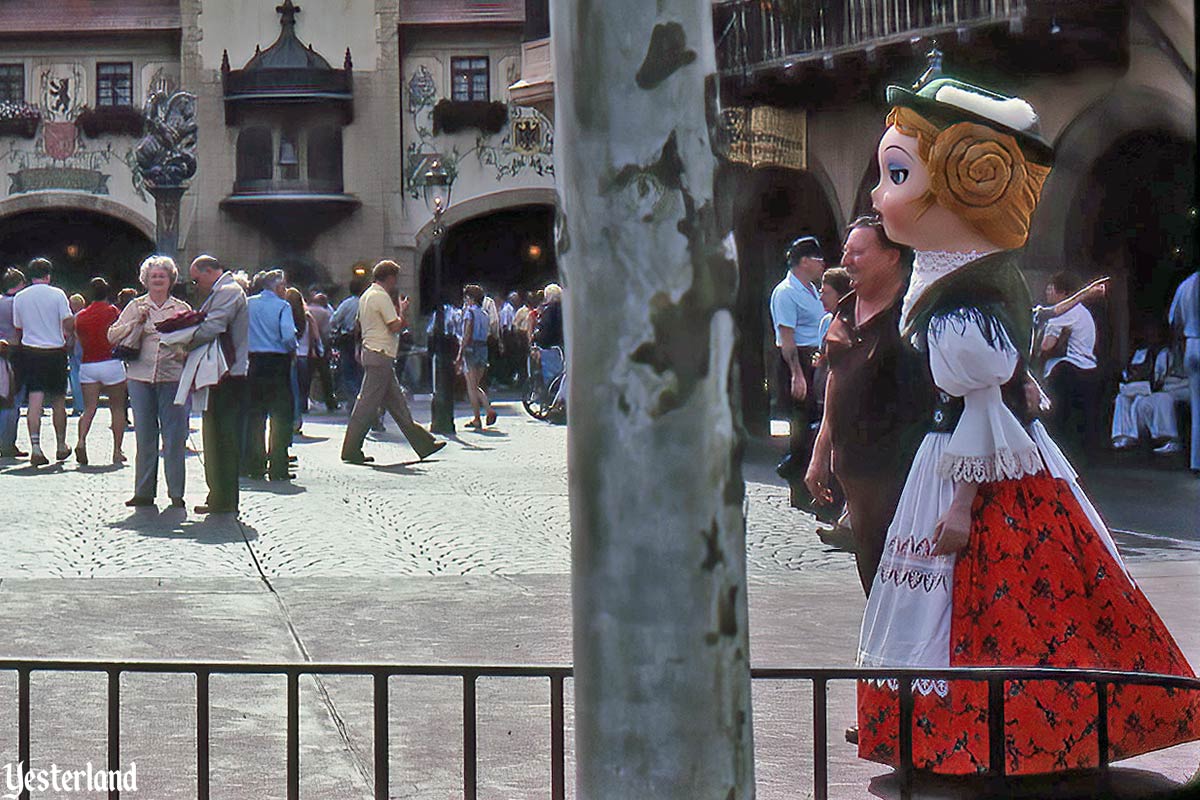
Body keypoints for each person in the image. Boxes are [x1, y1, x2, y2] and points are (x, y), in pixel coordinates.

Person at [854, 64, 1199, 774]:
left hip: (974, 468)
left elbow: (985, 407)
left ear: (957, 187)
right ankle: (973, 732)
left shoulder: (962, 305)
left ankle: (996, 734)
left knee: (997, 601)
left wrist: (959, 503)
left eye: (895, 174)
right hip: (974, 452)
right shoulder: (960, 282)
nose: (878, 195)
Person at [806, 218, 933, 595]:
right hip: (854, 471)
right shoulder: (845, 309)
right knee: (872, 574)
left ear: (892, 257)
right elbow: (835, 378)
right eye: (846, 251)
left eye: (859, 252)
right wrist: (820, 450)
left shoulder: (914, 313)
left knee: (907, 580)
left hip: (902, 470)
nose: (848, 260)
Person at [341, 260, 445, 465]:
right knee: (366, 405)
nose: (395, 282)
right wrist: (403, 310)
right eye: (395, 278)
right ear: (389, 277)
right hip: (381, 354)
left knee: (398, 405)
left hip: (374, 352)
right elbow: (395, 325)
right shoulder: (381, 297)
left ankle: (423, 444)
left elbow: (359, 325)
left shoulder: (366, 296)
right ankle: (350, 449)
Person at [108, 255, 192, 508]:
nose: (157, 279)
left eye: (162, 276)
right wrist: (136, 322)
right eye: (154, 275)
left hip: (172, 377)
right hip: (140, 376)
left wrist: (182, 350)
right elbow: (112, 335)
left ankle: (176, 493)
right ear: (146, 279)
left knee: (174, 436)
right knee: (145, 435)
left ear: (170, 280)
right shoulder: (135, 306)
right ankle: (144, 492)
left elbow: (194, 340)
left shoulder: (181, 308)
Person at [187, 255, 249, 515]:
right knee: (215, 435)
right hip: (222, 374)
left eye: (196, 279)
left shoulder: (227, 291)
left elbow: (214, 325)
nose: (195, 284)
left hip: (227, 375)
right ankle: (219, 495)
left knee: (221, 437)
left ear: (210, 271)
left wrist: (182, 342)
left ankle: (224, 497)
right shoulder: (225, 291)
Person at [769, 236, 825, 492]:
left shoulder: (813, 289)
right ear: (804, 261)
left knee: (815, 419)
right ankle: (797, 480)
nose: (822, 263)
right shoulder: (786, 292)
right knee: (801, 422)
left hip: (815, 357)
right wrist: (796, 373)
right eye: (818, 259)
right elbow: (787, 337)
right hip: (798, 358)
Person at [12, 258, 74, 467]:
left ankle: (36, 448)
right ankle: (61, 445)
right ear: (49, 275)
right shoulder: (57, 294)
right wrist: (68, 336)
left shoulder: (20, 297)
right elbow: (68, 321)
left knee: (34, 401)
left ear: (31, 276)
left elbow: (18, 327)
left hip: (31, 352)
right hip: (55, 351)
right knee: (58, 401)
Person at [1040, 270, 1101, 458]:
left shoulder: (1064, 314)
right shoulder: (1084, 312)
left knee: (1058, 421)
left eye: (1052, 288)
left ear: (1064, 293)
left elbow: (1046, 345)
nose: (1047, 292)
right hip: (1089, 369)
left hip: (1068, 370)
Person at [244, 270, 296, 481]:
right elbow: (288, 336)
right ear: (278, 287)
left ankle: (255, 465)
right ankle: (278, 466)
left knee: (255, 416)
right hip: (277, 363)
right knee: (280, 416)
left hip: (253, 362)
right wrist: (291, 348)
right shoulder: (283, 306)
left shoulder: (248, 304)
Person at [1110, 320, 1189, 454]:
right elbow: (1131, 373)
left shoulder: (1166, 352)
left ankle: (1170, 440)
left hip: (1176, 387)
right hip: (1151, 387)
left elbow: (1159, 380)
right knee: (1123, 398)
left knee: (1158, 399)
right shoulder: (1141, 352)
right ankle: (1125, 436)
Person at [73, 277, 127, 465]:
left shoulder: (81, 316)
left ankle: (81, 440)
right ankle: (117, 450)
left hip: (89, 365)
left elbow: (78, 340)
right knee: (118, 408)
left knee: (89, 408)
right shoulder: (113, 312)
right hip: (111, 362)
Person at [1169, 266, 1199, 474]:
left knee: (1197, 407)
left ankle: (1196, 461)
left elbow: (1174, 321)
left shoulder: (1186, 285)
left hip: (1192, 344)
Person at [456, 284, 497, 429]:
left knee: (471, 387)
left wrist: (460, 354)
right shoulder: (485, 314)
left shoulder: (469, 313)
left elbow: (467, 334)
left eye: (466, 297)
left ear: (471, 298)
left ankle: (478, 418)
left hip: (471, 349)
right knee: (476, 385)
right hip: (483, 348)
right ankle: (488, 409)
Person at [0, 267, 28, 458]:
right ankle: (7, 443)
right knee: (13, 400)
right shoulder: (20, 303)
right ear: (20, 284)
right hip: (16, 353)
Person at [331, 276, 367, 402]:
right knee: (362, 369)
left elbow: (334, 320)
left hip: (348, 339)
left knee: (348, 370)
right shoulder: (366, 302)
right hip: (365, 338)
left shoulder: (346, 304)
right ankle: (362, 395)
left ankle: (354, 396)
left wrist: (341, 326)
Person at [305, 291, 338, 411]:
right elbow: (327, 331)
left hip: (306, 347)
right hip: (321, 347)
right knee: (325, 376)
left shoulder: (305, 310)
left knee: (306, 376)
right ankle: (330, 402)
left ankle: (303, 402)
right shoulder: (325, 313)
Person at [67, 292, 86, 416]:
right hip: (87, 349)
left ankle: (79, 405)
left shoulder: (74, 318)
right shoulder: (86, 315)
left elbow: (71, 336)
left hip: (76, 349)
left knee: (75, 378)